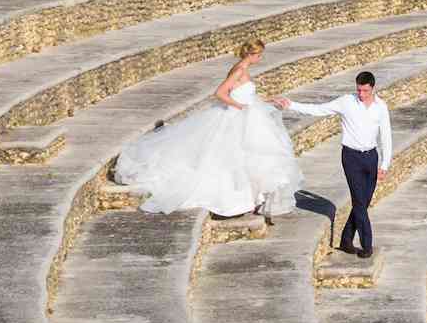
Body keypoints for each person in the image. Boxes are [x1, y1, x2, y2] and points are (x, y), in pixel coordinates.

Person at [113, 40, 304, 220]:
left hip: (245, 116)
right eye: (259, 55)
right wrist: (238, 106)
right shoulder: (238, 70)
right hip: (234, 117)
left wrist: (268, 101)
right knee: (230, 158)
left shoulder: (243, 69)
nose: (260, 58)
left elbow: (247, 94)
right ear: (253, 54)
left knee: (245, 158)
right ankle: (238, 199)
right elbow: (220, 93)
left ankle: (250, 199)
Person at [277, 70, 394, 258]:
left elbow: (386, 136)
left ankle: (346, 240)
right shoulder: (346, 102)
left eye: (365, 91)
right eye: (359, 91)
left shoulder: (381, 107)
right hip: (351, 157)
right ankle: (367, 245)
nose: (361, 95)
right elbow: (318, 109)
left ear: (373, 88)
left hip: (371, 157)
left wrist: (385, 164)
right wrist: (291, 105)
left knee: (363, 202)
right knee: (359, 201)